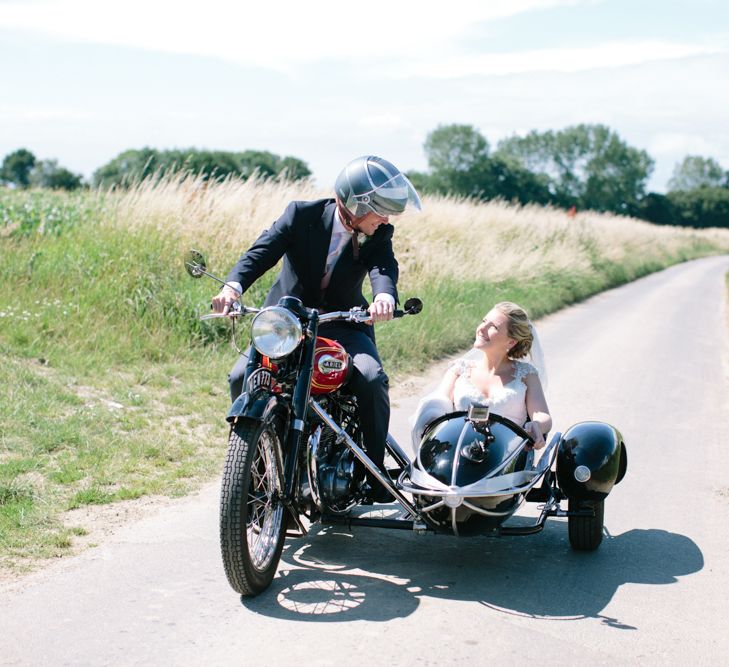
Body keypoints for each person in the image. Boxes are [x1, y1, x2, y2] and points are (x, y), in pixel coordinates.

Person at [212, 155, 422, 502]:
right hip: (287, 323)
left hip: (342, 322)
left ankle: (372, 469)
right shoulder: (301, 215)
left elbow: (383, 266)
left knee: (370, 378)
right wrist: (232, 288)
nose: (386, 219)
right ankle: (254, 463)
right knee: (239, 377)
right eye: (381, 210)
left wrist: (383, 296)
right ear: (356, 205)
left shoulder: (377, 232)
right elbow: (261, 252)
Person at [411, 301, 551, 451]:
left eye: (493, 327)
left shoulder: (527, 374)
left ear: (511, 341)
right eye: (484, 321)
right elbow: (439, 399)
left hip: (506, 455)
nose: (482, 328)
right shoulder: (459, 369)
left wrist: (536, 425)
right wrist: (431, 417)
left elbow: (542, 415)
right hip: (459, 451)